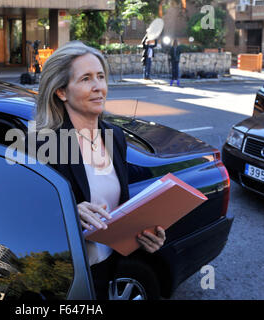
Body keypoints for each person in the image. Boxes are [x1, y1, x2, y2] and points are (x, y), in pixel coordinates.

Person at [33, 41, 166, 300]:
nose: (98, 87)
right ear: (62, 91)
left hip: (109, 270)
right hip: (64, 280)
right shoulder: (43, 143)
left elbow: (120, 203)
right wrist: (67, 209)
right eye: (86, 79)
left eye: (101, 77)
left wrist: (148, 236)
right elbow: (26, 211)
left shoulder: (114, 135)